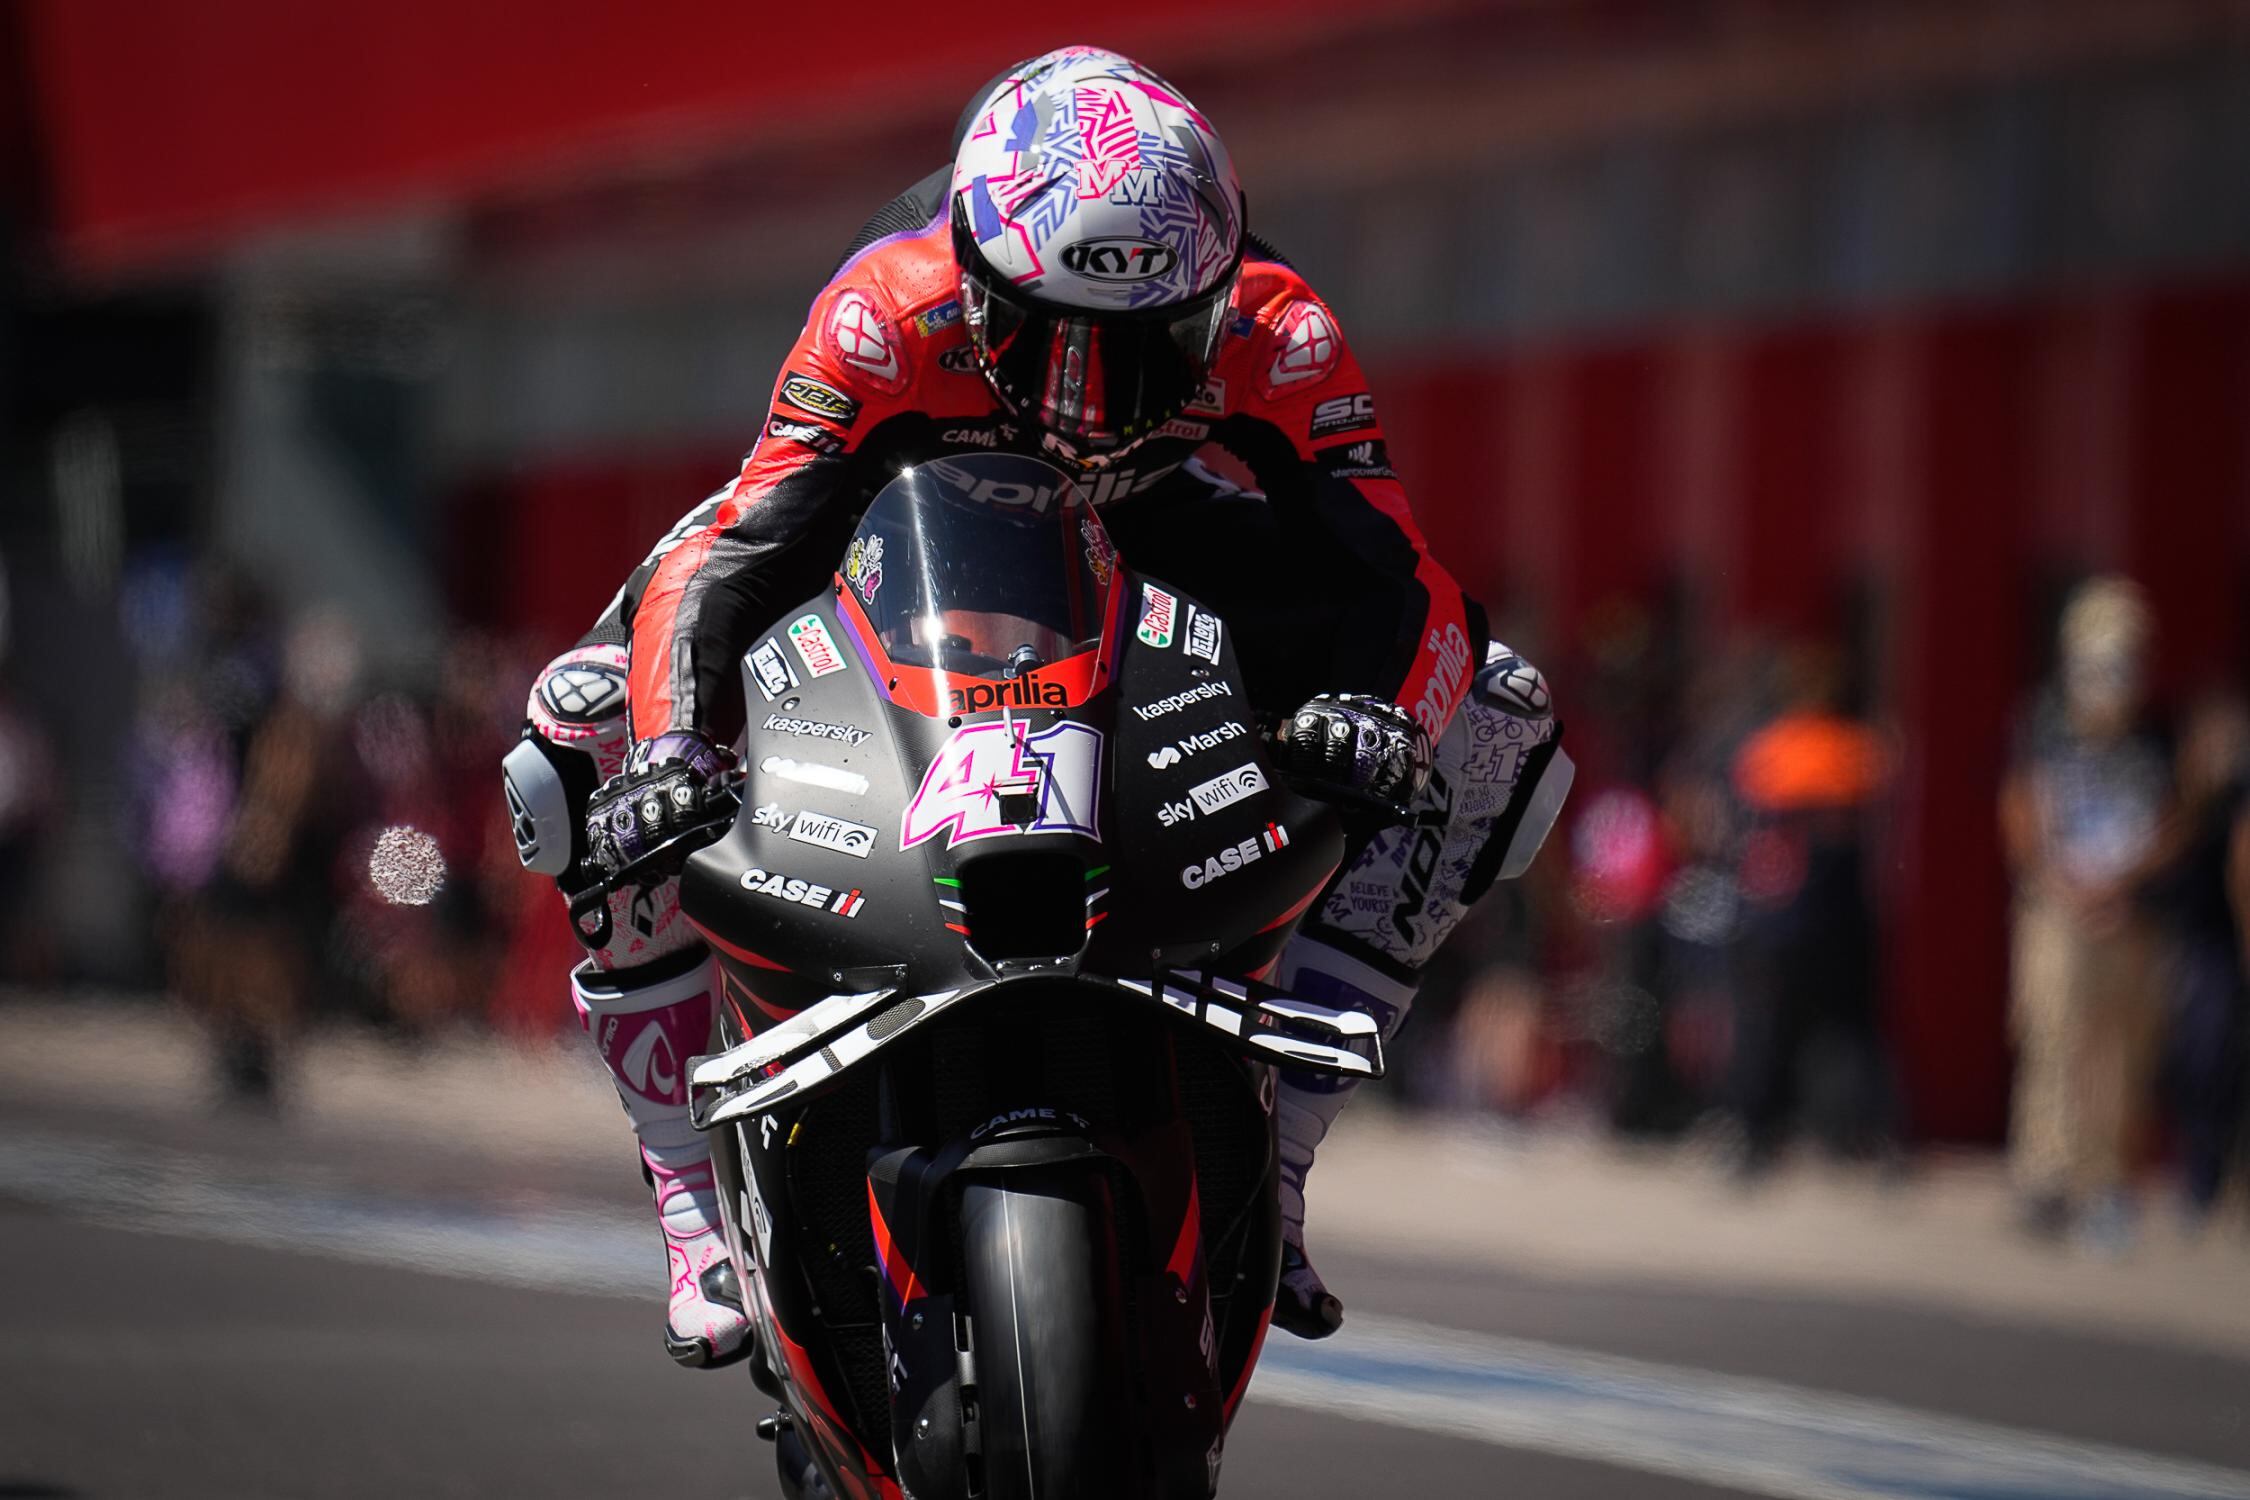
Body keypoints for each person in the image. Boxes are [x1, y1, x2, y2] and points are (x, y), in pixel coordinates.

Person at [501, 46, 1570, 1371]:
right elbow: (740, 546)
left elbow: (1399, 575)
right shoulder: (882, 311)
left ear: (1211, 293)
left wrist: (1387, 720)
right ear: (970, 273)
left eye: (1135, 351)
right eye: (1038, 335)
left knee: (1502, 726)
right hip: (885, 520)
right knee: (580, 725)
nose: (1077, 397)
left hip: (1154, 523)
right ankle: (682, 1189)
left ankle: (1282, 1152)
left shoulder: (1278, 329)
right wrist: (668, 747)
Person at [1999, 577, 2170, 1247]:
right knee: (2054, 1039)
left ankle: (2106, 1182)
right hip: (2057, 910)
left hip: (2128, 913)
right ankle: (2046, 1175)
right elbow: (2019, 809)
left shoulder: (2155, 732)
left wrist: (2126, 881)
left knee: (2122, 1053)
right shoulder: (2043, 722)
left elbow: (2170, 819)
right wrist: (2056, 882)